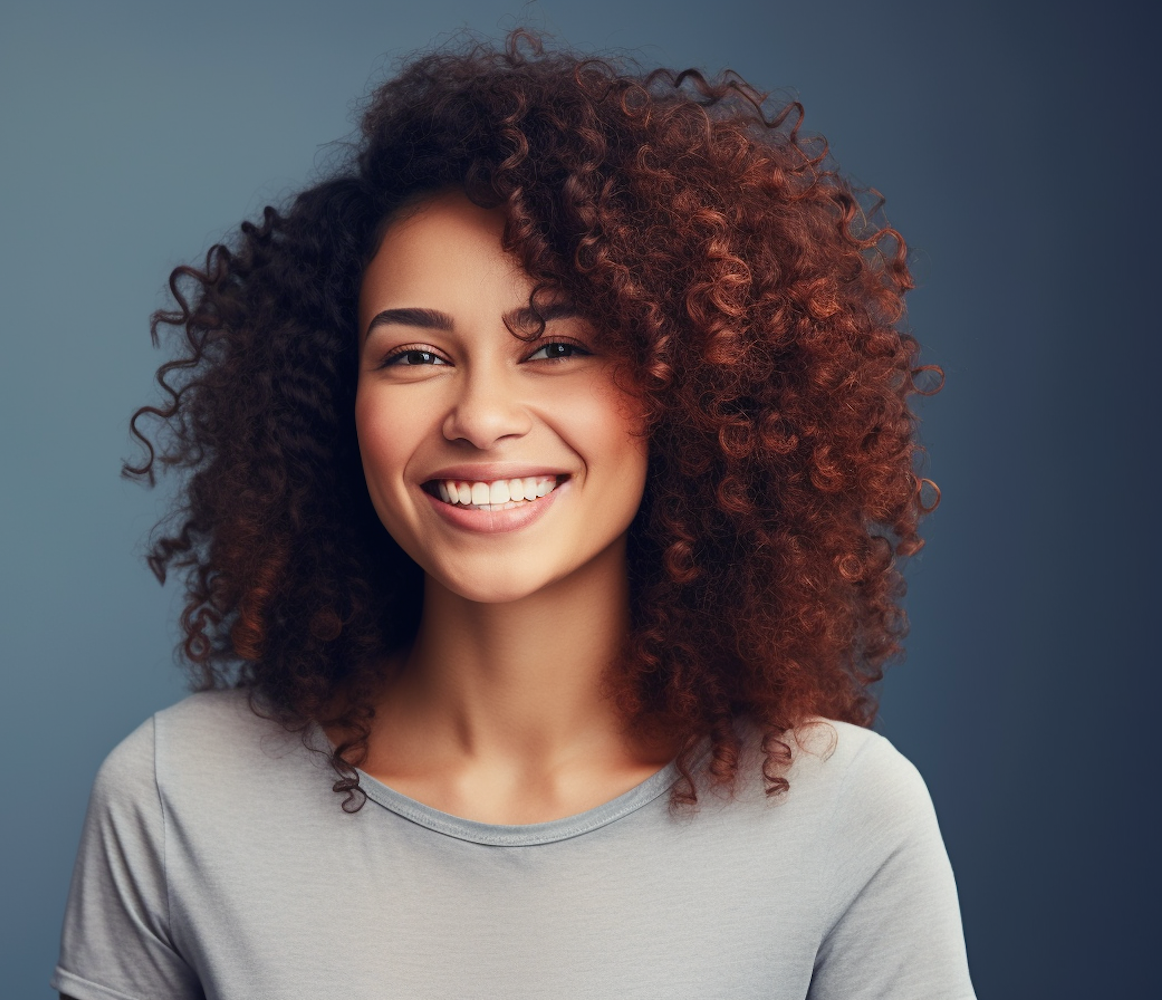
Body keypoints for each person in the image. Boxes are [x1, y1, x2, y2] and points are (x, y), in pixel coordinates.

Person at [53, 31, 974, 1000]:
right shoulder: (174, 799)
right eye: (414, 356)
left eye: (557, 347)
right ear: (332, 404)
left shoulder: (846, 819)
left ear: (692, 389)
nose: (481, 416)